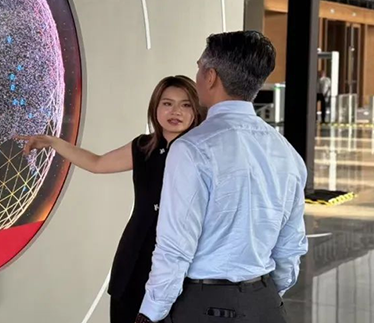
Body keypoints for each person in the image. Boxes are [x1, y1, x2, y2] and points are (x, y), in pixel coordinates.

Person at [135, 31, 308, 323]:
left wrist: (150, 313)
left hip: (205, 306)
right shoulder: (285, 151)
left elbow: (175, 248)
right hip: (266, 304)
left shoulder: (191, 149)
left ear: (211, 76)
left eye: (199, 68)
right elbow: (291, 245)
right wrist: (264, 295)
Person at [19, 76, 204, 323]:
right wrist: (54, 142)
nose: (176, 112)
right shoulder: (143, 147)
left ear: (196, 109)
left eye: (186, 105)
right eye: (167, 103)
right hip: (135, 255)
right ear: (155, 108)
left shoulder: (203, 152)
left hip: (180, 263)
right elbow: (97, 163)